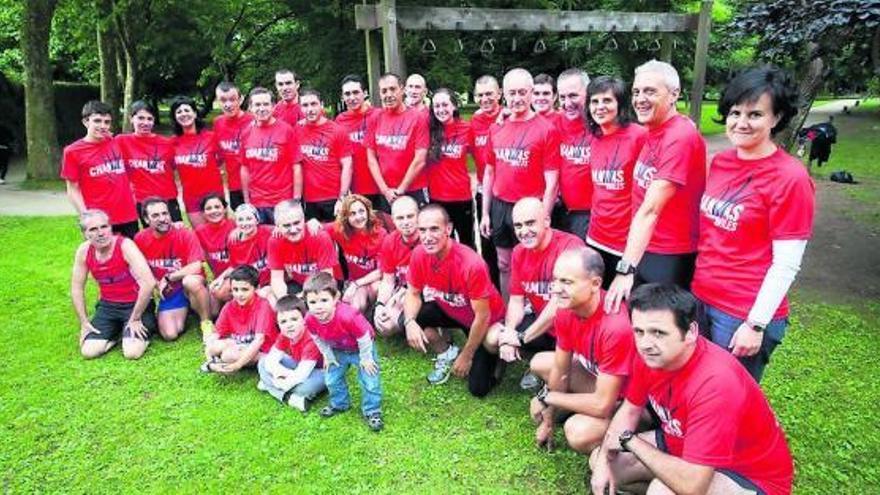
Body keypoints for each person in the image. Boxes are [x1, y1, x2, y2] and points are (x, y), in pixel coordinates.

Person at [589, 284, 793, 495]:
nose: (645, 343)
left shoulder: (715, 383)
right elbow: (630, 409)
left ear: (691, 332)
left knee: (662, 491)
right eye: (639, 331)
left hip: (748, 476)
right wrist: (605, 458)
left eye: (658, 333)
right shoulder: (651, 356)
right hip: (684, 445)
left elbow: (692, 487)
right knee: (602, 462)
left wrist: (629, 440)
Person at [692, 66, 814, 382]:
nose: (741, 123)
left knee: (729, 397)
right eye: (735, 112)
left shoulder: (790, 178)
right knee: (702, 386)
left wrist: (756, 324)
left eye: (755, 114)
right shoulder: (721, 162)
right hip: (703, 297)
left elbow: (787, 264)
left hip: (741, 313)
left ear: (776, 118)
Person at [605, 60, 707, 313]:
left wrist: (625, 268)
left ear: (674, 95)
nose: (640, 98)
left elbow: (651, 210)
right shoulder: (653, 131)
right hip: (647, 246)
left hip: (669, 253)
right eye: (637, 92)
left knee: (659, 328)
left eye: (650, 91)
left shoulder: (679, 137)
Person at [528, 247, 635, 454]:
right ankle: (565, 410)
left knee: (577, 432)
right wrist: (548, 420)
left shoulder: (615, 327)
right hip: (601, 381)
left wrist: (547, 398)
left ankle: (628, 442)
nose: (556, 289)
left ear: (595, 284)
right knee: (541, 364)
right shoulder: (566, 309)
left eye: (567, 282)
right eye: (556, 280)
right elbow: (561, 369)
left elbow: (603, 405)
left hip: (630, 404)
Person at [403, 204, 505, 396]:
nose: (427, 236)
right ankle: (446, 351)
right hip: (452, 309)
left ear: (448, 229)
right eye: (422, 230)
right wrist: (409, 322)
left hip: (483, 321)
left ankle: (498, 358)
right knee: (414, 317)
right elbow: (413, 293)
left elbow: (483, 317)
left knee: (478, 388)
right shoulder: (419, 254)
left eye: (434, 229)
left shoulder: (471, 264)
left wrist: (467, 355)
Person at [486, 198, 584, 389]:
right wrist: (510, 332)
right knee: (493, 336)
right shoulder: (518, 252)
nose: (524, 231)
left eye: (530, 223)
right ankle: (529, 364)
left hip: (572, 333)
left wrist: (522, 338)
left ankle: (544, 369)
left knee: (556, 388)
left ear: (547, 221)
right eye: (518, 226)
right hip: (544, 328)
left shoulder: (570, 248)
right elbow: (516, 299)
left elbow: (558, 304)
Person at [480, 68, 561, 300]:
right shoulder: (496, 127)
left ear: (531, 93)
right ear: (504, 94)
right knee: (504, 263)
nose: (516, 98)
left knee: (534, 262)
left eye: (522, 92)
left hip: (529, 206)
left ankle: (536, 311)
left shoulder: (546, 129)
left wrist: (544, 217)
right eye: (511, 93)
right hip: (500, 206)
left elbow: (552, 181)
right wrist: (485, 212)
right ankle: (509, 313)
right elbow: (489, 173)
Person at [585, 76, 648, 288]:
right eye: (594, 101)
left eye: (607, 100)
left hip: (626, 242)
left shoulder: (639, 136)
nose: (600, 107)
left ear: (620, 104)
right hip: (596, 236)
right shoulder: (594, 137)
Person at [71, 209, 157, 359]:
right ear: (85, 234)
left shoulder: (125, 246)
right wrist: (84, 322)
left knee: (132, 352)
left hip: (136, 305)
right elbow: (77, 288)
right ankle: (119, 333)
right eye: (93, 229)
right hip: (108, 307)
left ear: (110, 228)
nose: (101, 233)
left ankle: (132, 330)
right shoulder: (84, 251)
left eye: (104, 227)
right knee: (88, 352)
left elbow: (148, 283)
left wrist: (135, 318)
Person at [303, 272, 384, 432]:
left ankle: (372, 411)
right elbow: (317, 338)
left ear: (336, 298)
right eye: (312, 302)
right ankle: (340, 404)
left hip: (361, 348)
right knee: (332, 379)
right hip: (337, 349)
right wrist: (327, 355)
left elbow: (364, 338)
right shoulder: (310, 319)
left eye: (324, 300)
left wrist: (366, 359)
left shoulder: (348, 316)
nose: (318, 306)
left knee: (369, 380)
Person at [134, 198, 214, 340]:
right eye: (155, 216)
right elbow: (138, 269)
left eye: (165, 213)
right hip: (170, 291)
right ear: (146, 219)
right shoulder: (140, 239)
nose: (163, 219)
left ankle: (206, 323)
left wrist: (169, 277)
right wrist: (154, 283)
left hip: (190, 286)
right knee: (169, 334)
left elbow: (196, 266)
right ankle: (190, 309)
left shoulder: (185, 233)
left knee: (190, 281)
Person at [61, 100, 139, 238]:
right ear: (86, 122)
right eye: (97, 121)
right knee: (102, 258)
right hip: (99, 220)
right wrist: (85, 216)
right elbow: (72, 189)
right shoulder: (72, 151)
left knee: (132, 257)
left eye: (107, 122)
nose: (102, 126)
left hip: (128, 216)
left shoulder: (116, 143)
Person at [365, 72, 430, 213]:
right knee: (391, 232)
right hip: (386, 191)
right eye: (384, 91)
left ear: (402, 90)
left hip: (414, 188)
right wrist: (385, 190)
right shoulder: (375, 118)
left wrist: (401, 190)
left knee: (419, 231)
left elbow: (420, 159)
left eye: (393, 89)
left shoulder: (418, 118)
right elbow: (371, 158)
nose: (389, 94)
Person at [240, 87, 303, 225]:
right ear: (250, 107)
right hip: (257, 200)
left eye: (265, 104)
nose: (261, 108)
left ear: (273, 106)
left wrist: (296, 198)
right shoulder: (246, 133)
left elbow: (296, 166)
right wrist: (246, 200)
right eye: (257, 105)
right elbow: (244, 168)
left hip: (283, 200)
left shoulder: (286, 130)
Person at [203, 265, 278, 374]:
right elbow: (215, 336)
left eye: (245, 289)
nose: (239, 294)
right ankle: (218, 362)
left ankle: (267, 361)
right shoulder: (229, 306)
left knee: (228, 355)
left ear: (256, 288)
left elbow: (259, 340)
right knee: (214, 346)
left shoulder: (263, 305)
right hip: (241, 344)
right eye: (235, 290)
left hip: (264, 349)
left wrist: (237, 365)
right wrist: (210, 361)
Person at [257, 295, 326, 412]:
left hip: (320, 371)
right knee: (263, 362)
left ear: (304, 320)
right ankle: (290, 398)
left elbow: (302, 375)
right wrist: (279, 374)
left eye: (294, 319)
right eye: (283, 321)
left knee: (306, 388)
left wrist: (277, 383)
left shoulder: (311, 338)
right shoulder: (284, 334)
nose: (289, 325)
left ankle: (271, 387)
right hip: (298, 366)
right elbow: (270, 360)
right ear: (278, 324)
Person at [115, 100, 181, 223]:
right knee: (152, 237)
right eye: (140, 118)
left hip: (167, 198)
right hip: (142, 200)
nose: (145, 123)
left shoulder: (167, 143)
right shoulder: (121, 141)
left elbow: (175, 168)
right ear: (131, 118)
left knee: (176, 235)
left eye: (149, 119)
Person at [427, 88, 476, 249]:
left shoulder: (467, 128)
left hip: (461, 197)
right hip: (437, 197)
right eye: (437, 106)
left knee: (467, 243)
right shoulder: (429, 130)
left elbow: (480, 156)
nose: (441, 110)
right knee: (442, 243)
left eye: (445, 105)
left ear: (454, 106)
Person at [298, 88, 353, 222]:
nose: (310, 109)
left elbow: (348, 165)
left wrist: (342, 197)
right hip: (308, 199)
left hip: (333, 198)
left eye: (313, 104)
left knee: (339, 239)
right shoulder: (296, 130)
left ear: (321, 105)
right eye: (305, 105)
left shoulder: (337, 130)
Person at [169, 96, 225, 227]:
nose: (183, 114)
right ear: (175, 117)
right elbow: (171, 166)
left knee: (222, 236)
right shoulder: (172, 143)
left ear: (194, 113)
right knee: (202, 239)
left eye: (187, 110)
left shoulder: (211, 137)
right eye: (179, 112)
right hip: (192, 199)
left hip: (214, 196)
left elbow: (220, 160)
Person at [326, 194, 386, 313]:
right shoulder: (340, 230)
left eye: (361, 211)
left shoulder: (381, 233)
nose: (358, 217)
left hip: (376, 280)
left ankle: (375, 314)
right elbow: (316, 230)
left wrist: (355, 284)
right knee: (356, 308)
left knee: (375, 288)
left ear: (368, 212)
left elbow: (382, 271)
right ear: (346, 217)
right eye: (352, 214)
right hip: (356, 281)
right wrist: (312, 223)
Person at [268, 200, 339, 299]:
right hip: (298, 283)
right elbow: (276, 278)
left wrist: (303, 297)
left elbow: (326, 278)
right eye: (286, 225)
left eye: (297, 223)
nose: (293, 229)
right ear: (278, 226)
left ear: (304, 219)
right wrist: (285, 300)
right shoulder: (275, 240)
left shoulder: (319, 236)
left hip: (324, 285)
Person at [470, 75, 502, 287]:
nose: (485, 99)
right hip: (485, 191)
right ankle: (494, 291)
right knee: (488, 245)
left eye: (489, 94)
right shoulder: (474, 122)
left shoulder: (508, 116)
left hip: (510, 192)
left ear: (499, 93)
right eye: (480, 95)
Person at [373, 196, 420, 336]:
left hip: (427, 291)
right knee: (384, 326)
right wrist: (380, 305)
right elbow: (388, 280)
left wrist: (403, 295)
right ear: (393, 220)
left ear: (419, 216)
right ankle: (403, 321)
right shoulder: (390, 241)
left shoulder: (428, 238)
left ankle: (422, 324)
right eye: (400, 218)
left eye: (410, 216)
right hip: (401, 289)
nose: (406, 222)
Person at [555, 68, 593, 238]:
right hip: (562, 209)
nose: (567, 103)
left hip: (592, 213)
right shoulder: (554, 122)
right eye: (562, 97)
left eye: (573, 96)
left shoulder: (602, 124)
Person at [209, 203, 273, 302]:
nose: (245, 223)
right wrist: (220, 278)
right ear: (236, 223)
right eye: (240, 220)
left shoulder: (268, 232)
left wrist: (278, 228)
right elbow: (234, 267)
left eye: (249, 219)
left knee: (263, 297)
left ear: (257, 220)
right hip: (248, 281)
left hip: (269, 281)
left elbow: (284, 229)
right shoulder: (233, 240)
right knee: (219, 291)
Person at [336, 74, 382, 207]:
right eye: (347, 94)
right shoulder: (339, 121)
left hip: (381, 186)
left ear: (365, 93)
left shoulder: (379, 115)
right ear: (342, 97)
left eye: (356, 92)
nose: (352, 98)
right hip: (355, 189)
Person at [212, 81, 254, 210]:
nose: (228, 105)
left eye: (232, 99)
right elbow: (218, 155)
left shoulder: (253, 121)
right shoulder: (218, 123)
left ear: (240, 99)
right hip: (234, 185)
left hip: (256, 185)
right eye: (223, 100)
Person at [194, 193, 235, 315]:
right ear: (203, 213)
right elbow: (206, 256)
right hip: (220, 276)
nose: (214, 211)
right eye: (209, 208)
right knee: (213, 312)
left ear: (225, 209)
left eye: (217, 207)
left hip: (238, 272)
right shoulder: (200, 231)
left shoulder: (235, 225)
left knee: (219, 292)